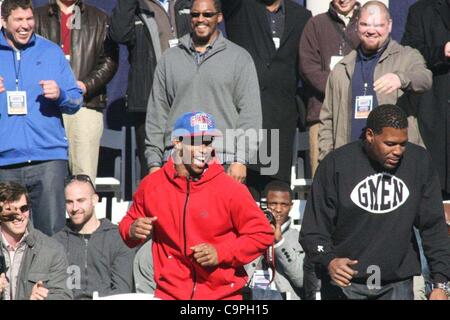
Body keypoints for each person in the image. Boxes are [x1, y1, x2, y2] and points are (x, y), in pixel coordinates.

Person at [300, 104, 450, 300]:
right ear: (370, 135)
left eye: (403, 143)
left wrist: (441, 283)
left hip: (397, 284)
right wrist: (329, 261)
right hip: (346, 285)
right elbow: (313, 232)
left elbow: (433, 226)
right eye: (390, 143)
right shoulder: (336, 164)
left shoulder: (419, 162)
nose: (398, 151)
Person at [119, 111, 274, 300]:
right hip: (170, 294)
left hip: (223, 296)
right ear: (177, 142)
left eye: (208, 142)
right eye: (196, 141)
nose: (204, 149)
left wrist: (221, 252)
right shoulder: (152, 185)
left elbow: (263, 234)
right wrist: (132, 229)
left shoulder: (231, 189)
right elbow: (128, 226)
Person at [144, 0, 262, 184]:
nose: (201, 19)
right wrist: (154, 163)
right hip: (176, 159)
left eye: (207, 14)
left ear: (220, 17)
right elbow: (157, 114)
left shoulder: (239, 58)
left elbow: (250, 115)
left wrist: (241, 160)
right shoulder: (170, 58)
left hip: (222, 159)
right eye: (195, 14)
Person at [0, 0, 83, 236]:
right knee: (7, 237)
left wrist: (61, 94)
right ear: (4, 22)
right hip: (5, 162)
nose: (25, 25)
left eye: (29, 19)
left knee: (51, 236)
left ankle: (49, 276)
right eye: (19, 20)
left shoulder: (51, 51)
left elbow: (76, 101)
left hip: (48, 160)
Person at [318, 1, 432, 162]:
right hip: (350, 159)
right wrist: (328, 157)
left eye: (378, 25)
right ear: (357, 25)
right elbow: (327, 119)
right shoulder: (342, 68)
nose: (371, 30)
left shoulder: (407, 57)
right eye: (365, 24)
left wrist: (401, 78)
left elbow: (425, 79)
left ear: (389, 25)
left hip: (395, 161)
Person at [221, 0, 311, 199]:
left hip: (280, 117)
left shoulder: (301, 16)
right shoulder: (240, 7)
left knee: (274, 192)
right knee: (243, 190)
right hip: (241, 116)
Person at [34, 0, 119, 182]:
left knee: (83, 180)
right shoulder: (36, 16)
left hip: (85, 106)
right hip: (44, 109)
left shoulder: (99, 18)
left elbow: (110, 60)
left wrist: (85, 85)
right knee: (45, 181)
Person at [109, 0, 192, 179]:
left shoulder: (187, 3)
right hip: (149, 100)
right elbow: (119, 34)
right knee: (152, 168)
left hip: (188, 98)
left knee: (189, 165)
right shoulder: (136, 6)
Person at [299, 0, 360, 176]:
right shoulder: (316, 24)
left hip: (358, 115)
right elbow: (308, 68)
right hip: (322, 114)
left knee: (355, 176)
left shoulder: (367, 23)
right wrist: (341, 90)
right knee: (321, 176)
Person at [53, 174, 134, 299]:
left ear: (94, 200)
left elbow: (122, 291)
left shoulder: (117, 238)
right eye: (69, 202)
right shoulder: (56, 242)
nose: (74, 208)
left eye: (81, 200)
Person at [401, 0, 450, 198]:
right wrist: (442, 51)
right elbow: (410, 52)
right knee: (433, 186)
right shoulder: (421, 10)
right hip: (434, 106)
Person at [0, 181, 72, 300]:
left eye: (24, 209)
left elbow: (63, 295)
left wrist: (43, 298)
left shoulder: (52, 250)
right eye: (10, 211)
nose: (19, 216)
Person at [245, 181, 305, 300]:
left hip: (284, 296)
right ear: (264, 205)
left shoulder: (299, 238)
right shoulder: (250, 234)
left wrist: (279, 242)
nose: (278, 209)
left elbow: (301, 280)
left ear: (291, 206)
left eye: (284, 204)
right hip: (250, 295)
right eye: (273, 203)